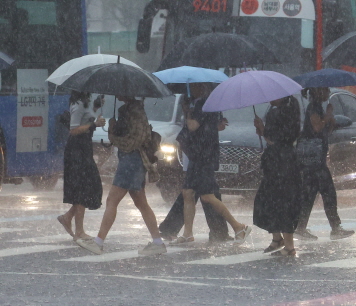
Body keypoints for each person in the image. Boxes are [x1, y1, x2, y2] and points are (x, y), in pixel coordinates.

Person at [75, 96, 166, 256]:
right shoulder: (131, 110)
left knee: (112, 200)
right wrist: (113, 128)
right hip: (134, 161)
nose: (118, 94)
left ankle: (98, 242)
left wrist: (112, 132)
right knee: (141, 203)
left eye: (121, 91)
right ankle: (157, 242)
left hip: (132, 161)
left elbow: (133, 142)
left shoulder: (134, 111)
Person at [175, 83, 251, 245]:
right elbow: (217, 126)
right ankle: (187, 233)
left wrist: (187, 112)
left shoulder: (202, 104)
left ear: (203, 87)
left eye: (195, 85)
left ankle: (239, 227)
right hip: (199, 155)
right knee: (188, 193)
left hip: (203, 157)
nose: (192, 88)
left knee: (208, 196)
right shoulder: (210, 105)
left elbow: (193, 126)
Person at [294, 87, 354, 241]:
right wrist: (327, 116)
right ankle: (335, 228)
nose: (327, 93)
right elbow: (317, 127)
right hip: (314, 161)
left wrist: (331, 119)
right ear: (317, 92)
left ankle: (301, 227)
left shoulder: (317, 107)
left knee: (310, 194)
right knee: (328, 193)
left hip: (316, 160)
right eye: (325, 90)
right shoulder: (313, 107)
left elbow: (324, 129)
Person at [253, 95, 302, 257]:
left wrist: (263, 129)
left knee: (278, 203)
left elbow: (275, 140)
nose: (268, 99)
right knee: (273, 201)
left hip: (279, 164)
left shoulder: (280, 113)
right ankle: (278, 239)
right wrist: (264, 130)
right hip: (284, 163)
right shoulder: (288, 111)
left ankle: (288, 246)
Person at [57, 92, 105, 240]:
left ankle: (68, 217)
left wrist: (96, 107)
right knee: (82, 189)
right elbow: (74, 129)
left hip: (84, 149)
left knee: (92, 187)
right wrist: (94, 124)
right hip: (76, 150)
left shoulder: (86, 101)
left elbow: (86, 119)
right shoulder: (77, 105)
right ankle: (79, 231)